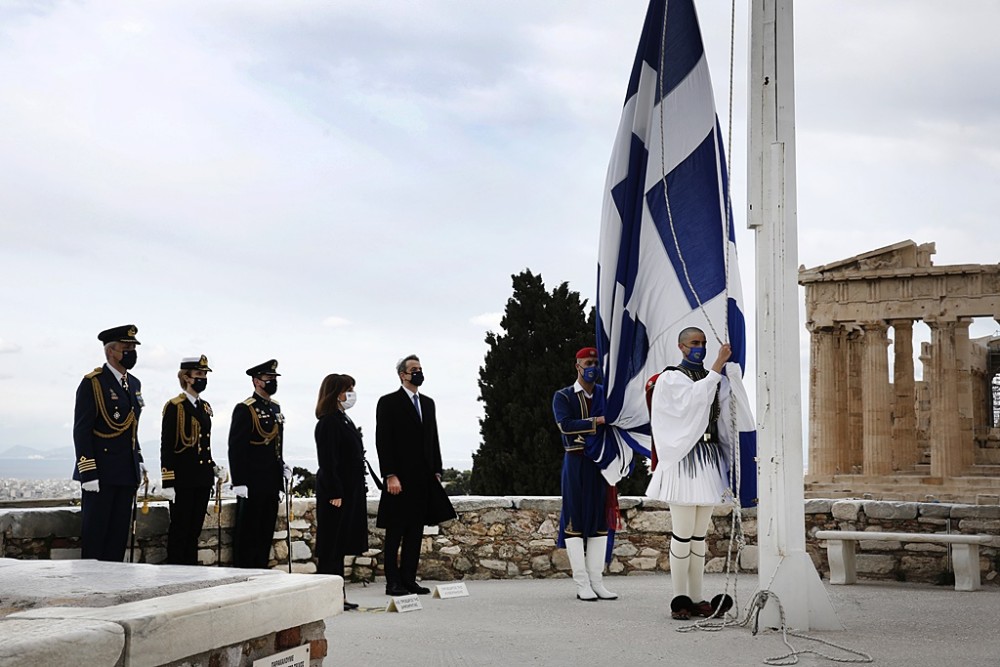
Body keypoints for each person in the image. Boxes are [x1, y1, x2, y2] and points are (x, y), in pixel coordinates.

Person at [645, 327, 736, 619]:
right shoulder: (671, 378)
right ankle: (679, 598)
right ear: (682, 347)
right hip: (684, 459)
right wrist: (718, 366)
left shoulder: (713, 379)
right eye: (695, 343)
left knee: (699, 536)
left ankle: (696, 596)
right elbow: (691, 402)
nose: (700, 347)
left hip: (708, 459)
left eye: (703, 343)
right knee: (682, 534)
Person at [375, 354, 456, 596]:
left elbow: (434, 438)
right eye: (414, 369)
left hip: (423, 478)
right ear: (402, 374)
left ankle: (409, 579)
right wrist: (390, 474)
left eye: (420, 368)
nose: (419, 372)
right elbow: (383, 441)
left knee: (415, 533)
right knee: (395, 532)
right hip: (399, 479)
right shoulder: (388, 402)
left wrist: (437, 470)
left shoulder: (428, 403)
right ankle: (393, 582)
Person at [72, 324, 147, 561]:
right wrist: (88, 473)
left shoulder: (134, 384)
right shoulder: (93, 383)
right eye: (126, 348)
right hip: (101, 474)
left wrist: (139, 459)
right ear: (110, 352)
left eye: (133, 348)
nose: (131, 353)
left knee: (117, 538)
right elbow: (82, 430)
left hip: (125, 471)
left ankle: (115, 587)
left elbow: (131, 427)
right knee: (96, 537)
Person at [552, 347, 618, 601]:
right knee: (575, 522)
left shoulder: (605, 394)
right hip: (576, 462)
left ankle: (597, 582)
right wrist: (598, 421)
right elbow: (565, 426)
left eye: (596, 362)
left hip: (600, 463)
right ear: (577, 365)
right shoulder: (564, 396)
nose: (593, 366)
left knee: (600, 522)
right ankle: (582, 584)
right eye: (588, 362)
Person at [160, 355, 226, 565]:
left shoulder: (205, 407)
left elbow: (203, 444)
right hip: (183, 480)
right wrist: (168, 482)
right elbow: (167, 446)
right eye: (199, 374)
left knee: (194, 532)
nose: (203, 378)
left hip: (202, 479)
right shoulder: (175, 406)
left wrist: (213, 467)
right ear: (186, 378)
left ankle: (190, 572)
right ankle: (176, 573)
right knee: (180, 531)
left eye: (205, 374)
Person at [314, 373, 370, 610]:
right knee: (331, 546)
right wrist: (335, 492)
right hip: (336, 493)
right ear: (337, 393)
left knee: (340, 545)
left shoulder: (342, 419)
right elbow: (328, 461)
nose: (351, 395)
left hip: (351, 489)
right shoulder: (328, 422)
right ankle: (329, 596)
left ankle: (339, 595)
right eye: (348, 390)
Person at [228, 359, 291, 569]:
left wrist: (281, 467)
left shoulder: (275, 408)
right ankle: (245, 572)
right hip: (252, 482)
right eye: (268, 378)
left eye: (274, 378)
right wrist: (239, 481)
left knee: (265, 531)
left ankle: (261, 570)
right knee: (249, 532)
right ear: (256, 381)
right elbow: (237, 446)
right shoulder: (245, 409)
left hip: (271, 481)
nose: (272, 382)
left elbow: (276, 444)